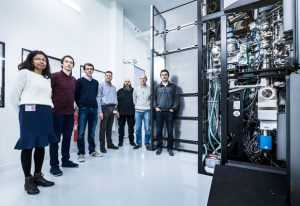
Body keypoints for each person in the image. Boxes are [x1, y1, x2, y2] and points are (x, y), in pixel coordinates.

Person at [10, 50, 55, 195]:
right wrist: (22, 114)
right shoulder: (24, 73)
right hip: (29, 112)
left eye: (44, 60)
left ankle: (38, 176)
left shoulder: (46, 78)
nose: (42, 61)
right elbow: (13, 96)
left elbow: (47, 97)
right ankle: (28, 180)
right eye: (38, 59)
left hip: (45, 112)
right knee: (28, 146)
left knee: (41, 144)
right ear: (31, 60)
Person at [49, 55, 78, 176]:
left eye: (71, 62)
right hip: (56, 113)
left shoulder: (74, 80)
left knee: (67, 139)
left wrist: (76, 108)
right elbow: (48, 92)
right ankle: (54, 165)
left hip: (69, 114)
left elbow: (74, 95)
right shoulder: (54, 76)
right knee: (55, 140)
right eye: (66, 62)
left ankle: (65, 160)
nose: (69, 64)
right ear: (62, 64)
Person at [75, 63, 103, 162]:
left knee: (92, 133)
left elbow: (96, 96)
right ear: (84, 70)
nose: (89, 70)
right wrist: (80, 105)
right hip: (83, 109)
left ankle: (92, 151)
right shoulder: (79, 81)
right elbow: (76, 95)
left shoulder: (96, 82)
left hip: (94, 109)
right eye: (87, 69)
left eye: (91, 69)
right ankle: (81, 153)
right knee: (81, 132)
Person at [153, 69, 179, 156]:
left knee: (170, 131)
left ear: (168, 76)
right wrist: (155, 107)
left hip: (169, 112)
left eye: (165, 74)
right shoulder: (157, 87)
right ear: (160, 76)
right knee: (159, 130)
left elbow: (176, 98)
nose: (164, 76)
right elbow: (154, 98)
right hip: (159, 111)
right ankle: (159, 146)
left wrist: (173, 108)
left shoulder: (173, 86)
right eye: (162, 75)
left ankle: (170, 148)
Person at [97, 71, 119, 153]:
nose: (108, 77)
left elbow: (115, 98)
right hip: (104, 108)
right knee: (103, 128)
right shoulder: (101, 85)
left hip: (113, 108)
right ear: (105, 76)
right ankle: (102, 147)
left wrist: (116, 109)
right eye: (107, 75)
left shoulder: (113, 87)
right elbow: (98, 98)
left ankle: (109, 144)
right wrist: (100, 111)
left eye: (110, 76)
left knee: (109, 127)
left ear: (112, 77)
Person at [132, 74, 151, 150]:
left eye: (144, 78)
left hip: (147, 111)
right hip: (138, 111)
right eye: (141, 78)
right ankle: (138, 143)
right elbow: (134, 100)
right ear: (139, 80)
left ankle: (147, 143)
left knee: (147, 129)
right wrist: (138, 106)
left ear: (146, 79)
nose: (142, 80)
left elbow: (151, 99)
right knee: (138, 128)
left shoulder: (150, 89)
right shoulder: (136, 89)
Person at [116, 79, 136, 147]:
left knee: (131, 128)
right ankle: (120, 141)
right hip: (121, 112)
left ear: (130, 83)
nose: (127, 83)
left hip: (131, 112)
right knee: (121, 128)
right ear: (124, 83)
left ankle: (132, 141)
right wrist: (116, 111)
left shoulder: (134, 91)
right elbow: (116, 102)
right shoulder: (119, 91)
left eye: (128, 81)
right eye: (126, 81)